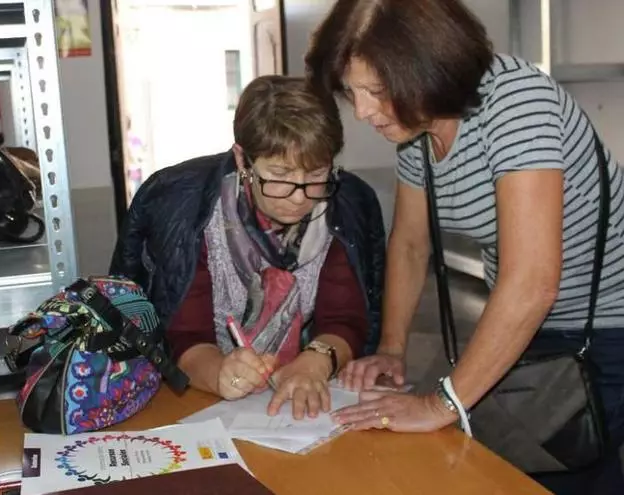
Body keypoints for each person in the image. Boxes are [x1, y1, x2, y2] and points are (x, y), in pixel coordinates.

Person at [304, 1, 624, 493]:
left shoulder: (516, 101)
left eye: (378, 90)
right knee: (507, 465)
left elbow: (533, 281)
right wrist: (392, 349)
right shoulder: (417, 131)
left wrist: (440, 403)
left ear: (430, 66)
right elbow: (410, 244)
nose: (363, 112)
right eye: (352, 91)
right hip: (529, 324)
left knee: (559, 472)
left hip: (608, 322)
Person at [109, 75, 386, 420]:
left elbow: (346, 319)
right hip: (193, 397)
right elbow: (181, 334)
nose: (300, 197)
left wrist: (317, 360)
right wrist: (219, 373)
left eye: (317, 174)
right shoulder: (187, 210)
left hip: (294, 397)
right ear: (242, 160)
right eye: (280, 175)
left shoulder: (345, 204)